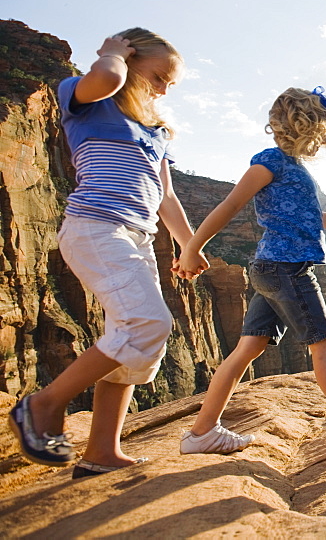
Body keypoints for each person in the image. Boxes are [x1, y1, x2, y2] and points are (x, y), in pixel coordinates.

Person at [8, 29, 197, 477]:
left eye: (172, 82)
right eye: (159, 75)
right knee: (146, 322)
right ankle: (42, 405)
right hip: (97, 228)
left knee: (139, 345)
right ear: (129, 59)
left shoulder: (154, 131)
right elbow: (109, 79)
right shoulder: (87, 97)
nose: (165, 88)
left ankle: (101, 452)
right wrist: (111, 54)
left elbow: (166, 197)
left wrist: (190, 246)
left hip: (138, 238)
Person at [175, 87, 326, 452]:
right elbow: (231, 204)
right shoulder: (270, 162)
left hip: (272, 268)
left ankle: (202, 432)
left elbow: (309, 218)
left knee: (247, 349)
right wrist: (192, 248)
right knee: (323, 346)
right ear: (311, 128)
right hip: (286, 270)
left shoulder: (295, 169)